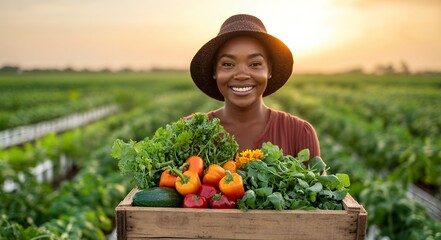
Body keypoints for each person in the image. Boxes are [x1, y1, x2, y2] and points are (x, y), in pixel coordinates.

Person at [189, 14, 320, 161]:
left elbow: (317, 183)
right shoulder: (190, 131)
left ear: (269, 70)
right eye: (227, 64)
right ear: (214, 71)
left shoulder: (299, 133)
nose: (242, 75)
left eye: (255, 64)